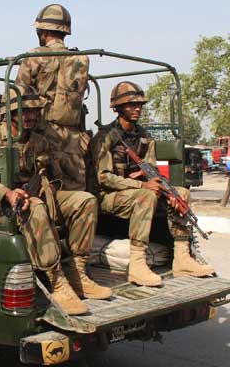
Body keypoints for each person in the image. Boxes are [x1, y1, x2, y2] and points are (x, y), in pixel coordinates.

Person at [0, 84, 111, 315]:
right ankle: (57, 281)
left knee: (85, 201)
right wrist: (7, 193)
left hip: (39, 198)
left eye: (35, 111)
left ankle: (78, 271)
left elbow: (53, 173)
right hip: (0, 207)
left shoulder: (38, 140)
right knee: (36, 207)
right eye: (25, 111)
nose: (32, 115)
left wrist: (50, 186)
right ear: (9, 113)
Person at [89, 81, 215, 286]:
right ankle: (137, 265)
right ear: (117, 108)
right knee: (146, 196)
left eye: (139, 105)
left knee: (180, 193)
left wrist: (165, 190)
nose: (137, 108)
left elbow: (151, 170)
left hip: (135, 193)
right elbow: (102, 178)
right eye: (131, 105)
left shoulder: (145, 137)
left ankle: (182, 258)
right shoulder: (105, 137)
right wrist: (141, 186)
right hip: (107, 196)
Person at [15, 3, 91, 191]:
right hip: (74, 138)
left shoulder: (33, 57)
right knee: (77, 192)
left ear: (43, 32)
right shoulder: (80, 59)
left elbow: (18, 97)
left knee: (43, 189)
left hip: (43, 135)